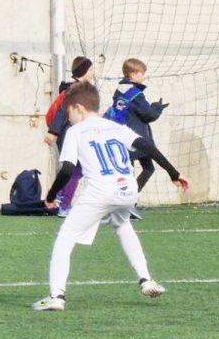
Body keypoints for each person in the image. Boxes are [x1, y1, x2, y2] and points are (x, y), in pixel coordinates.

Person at [32, 82, 189, 311]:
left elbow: (67, 168)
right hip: (128, 189)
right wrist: (174, 173)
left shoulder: (76, 132)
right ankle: (146, 279)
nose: (69, 119)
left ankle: (56, 296)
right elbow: (148, 147)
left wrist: (51, 195)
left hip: (100, 191)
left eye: (68, 114)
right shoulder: (115, 127)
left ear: (78, 108)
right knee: (123, 225)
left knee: (66, 236)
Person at [104, 58, 168, 219]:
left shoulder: (120, 90)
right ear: (133, 75)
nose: (143, 77)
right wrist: (157, 107)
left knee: (130, 171)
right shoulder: (136, 94)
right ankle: (129, 202)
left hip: (121, 135)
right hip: (135, 138)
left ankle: (127, 202)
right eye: (142, 74)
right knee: (147, 168)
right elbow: (149, 115)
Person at [44, 56, 94, 217]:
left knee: (76, 168)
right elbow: (63, 111)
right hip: (67, 133)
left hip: (73, 133)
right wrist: (53, 132)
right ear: (84, 71)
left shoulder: (80, 88)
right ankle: (63, 203)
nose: (93, 73)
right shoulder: (76, 89)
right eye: (91, 69)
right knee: (74, 168)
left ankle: (61, 199)